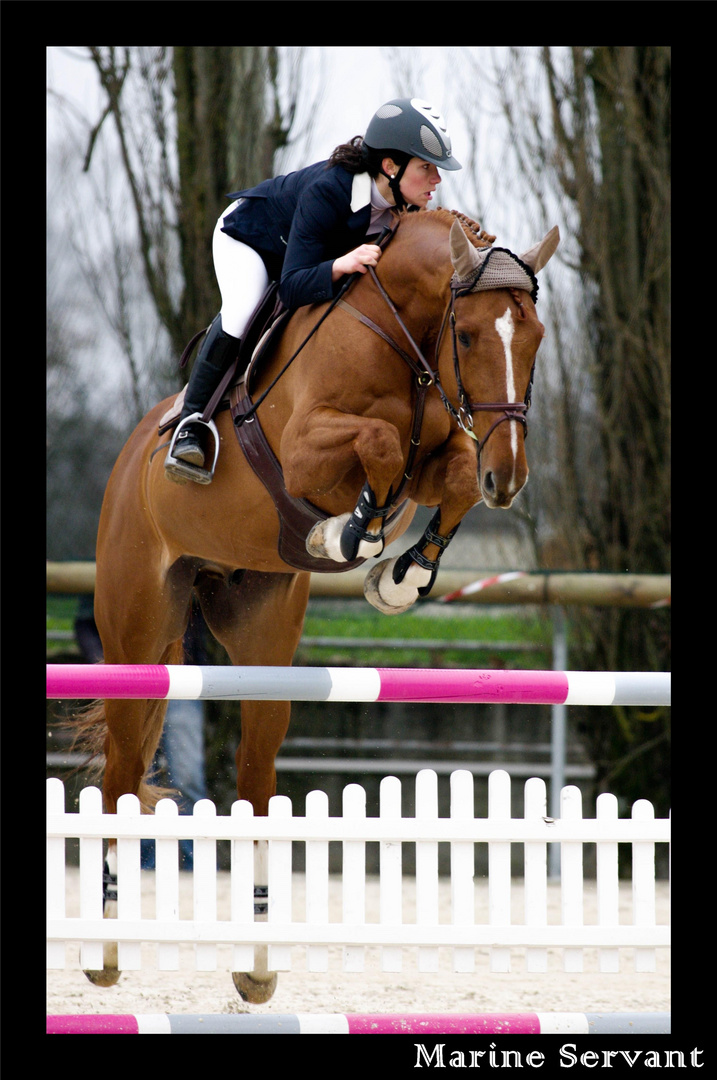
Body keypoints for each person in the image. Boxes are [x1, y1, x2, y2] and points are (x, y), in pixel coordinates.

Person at [165, 97, 462, 484]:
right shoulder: (330, 192)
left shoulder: (405, 212)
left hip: (301, 256)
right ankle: (190, 425)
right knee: (242, 308)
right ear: (390, 166)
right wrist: (340, 264)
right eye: (427, 168)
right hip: (252, 239)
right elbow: (290, 287)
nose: (437, 179)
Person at [74, 596, 208, 871]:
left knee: (186, 776)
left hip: (178, 679)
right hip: (135, 682)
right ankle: (144, 861)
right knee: (138, 774)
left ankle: (195, 863)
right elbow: (86, 622)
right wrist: (107, 666)